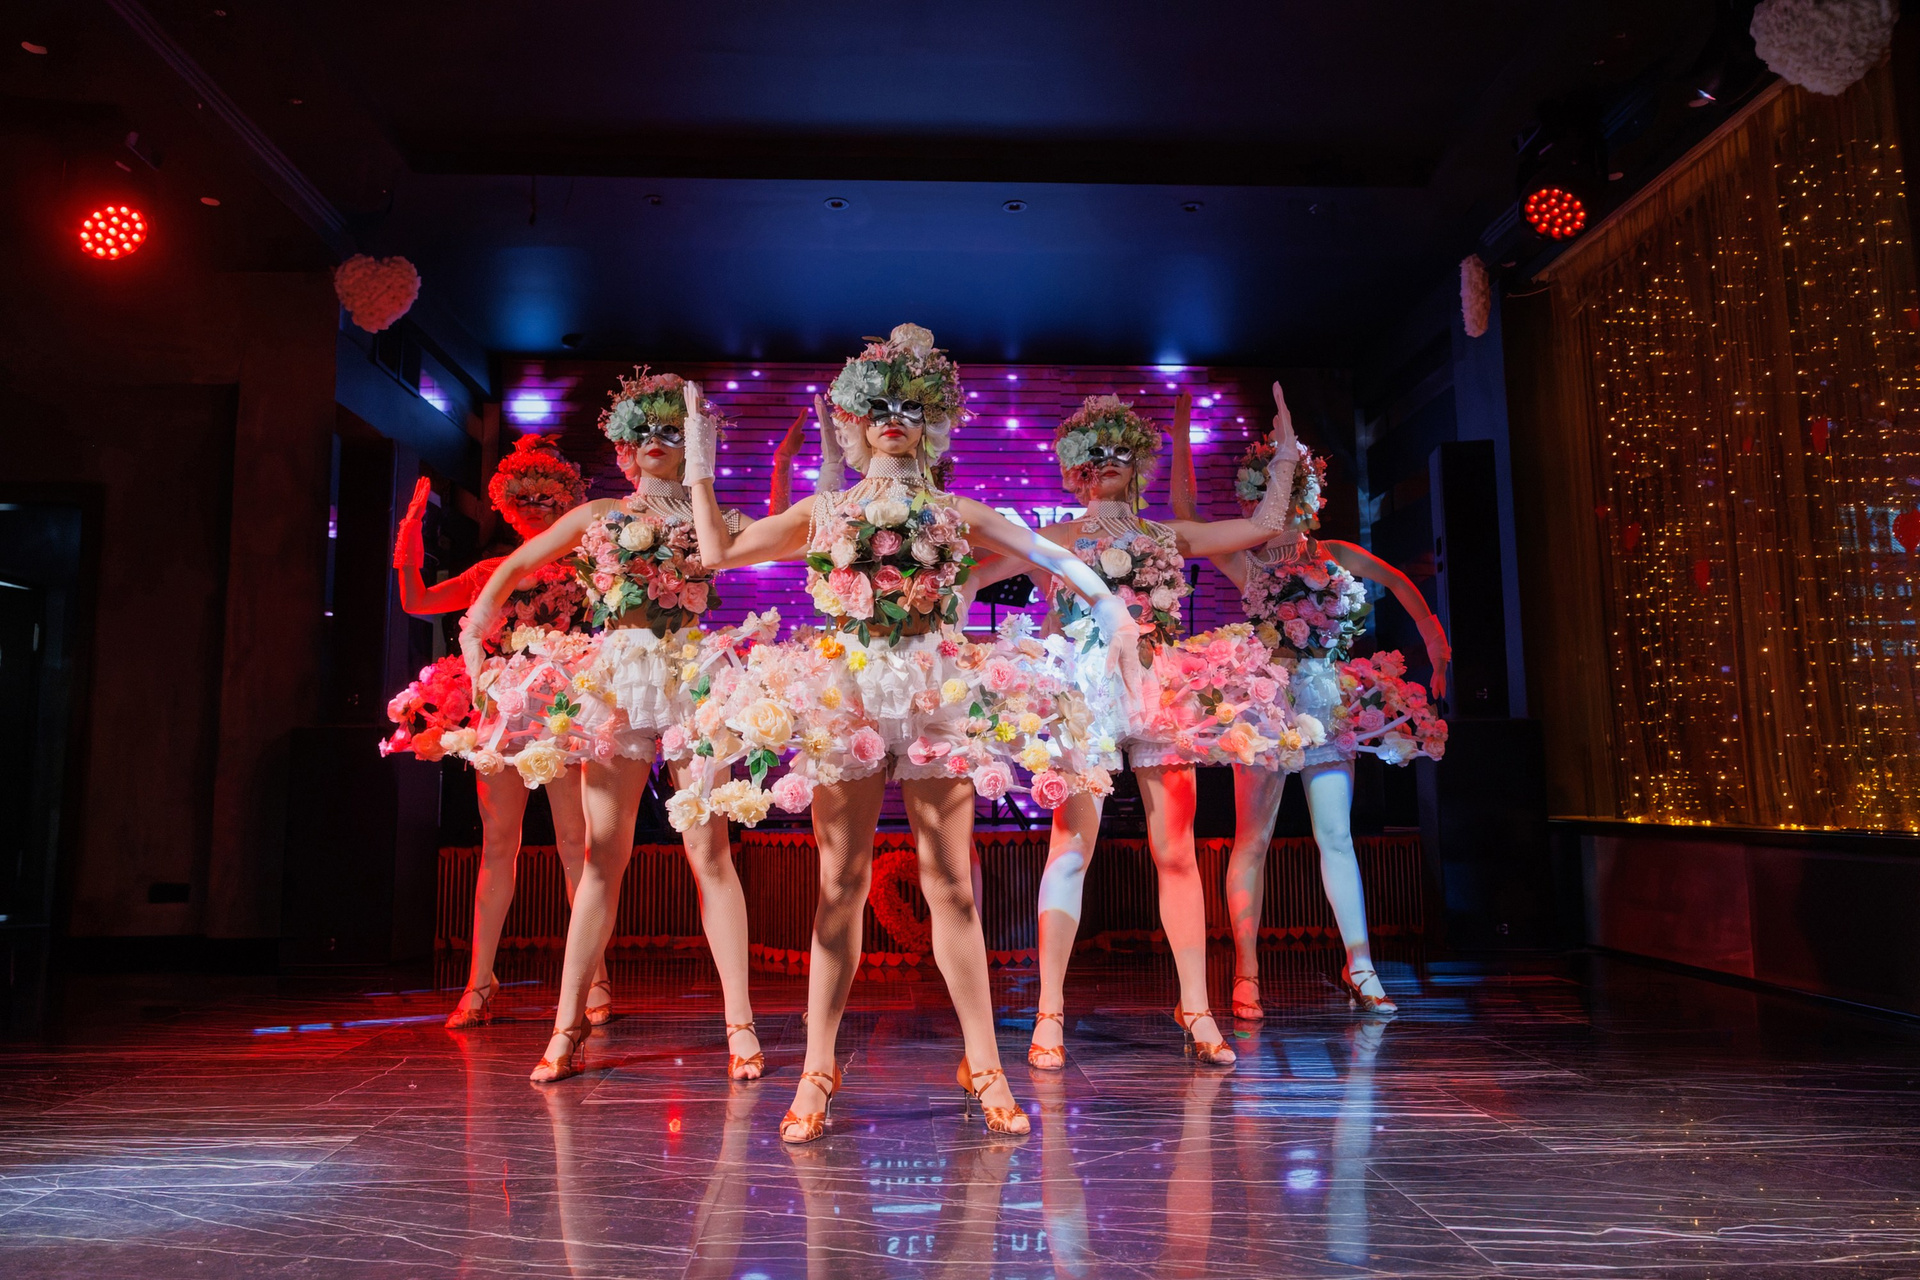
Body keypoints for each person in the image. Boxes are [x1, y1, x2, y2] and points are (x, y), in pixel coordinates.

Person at [684, 323, 1147, 1141]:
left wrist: (1113, 610)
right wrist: (698, 457)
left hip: (936, 695)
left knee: (952, 886)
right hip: (848, 697)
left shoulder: (954, 510)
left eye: (910, 407)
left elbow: (1046, 551)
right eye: (879, 409)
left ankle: (986, 1063)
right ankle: (818, 1068)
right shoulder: (825, 510)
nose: (893, 420)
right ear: (857, 423)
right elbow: (717, 551)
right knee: (840, 884)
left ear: (931, 420)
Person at [969, 390, 1304, 1070]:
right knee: (1071, 848)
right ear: (1075, 468)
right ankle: (1050, 1010)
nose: (1107, 462)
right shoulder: (1056, 540)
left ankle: (1196, 1006)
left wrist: (1287, 456)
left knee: (1176, 850)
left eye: (1120, 450)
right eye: (1094, 453)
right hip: (1082, 699)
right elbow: (971, 579)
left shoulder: (1165, 536)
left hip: (1157, 693)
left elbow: (1264, 525)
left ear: (1138, 461)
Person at [459, 369, 763, 1082]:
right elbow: (517, 564)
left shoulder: (713, 518)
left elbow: (792, 538)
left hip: (692, 677)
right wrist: (476, 629)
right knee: (602, 857)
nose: (656, 441)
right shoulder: (600, 514)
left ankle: (741, 1024)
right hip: (619, 681)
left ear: (692, 443)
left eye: (671, 431)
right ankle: (566, 1026)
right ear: (625, 446)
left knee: (710, 854)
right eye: (644, 431)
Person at [1170, 385, 1451, 1016]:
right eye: (1276, 485)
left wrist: (1435, 642)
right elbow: (1185, 514)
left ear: (1312, 495)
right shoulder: (1247, 563)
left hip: (1323, 705)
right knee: (1252, 840)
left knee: (1336, 836)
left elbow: (1399, 583)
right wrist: (1183, 428)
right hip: (1266, 711)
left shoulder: (1333, 555)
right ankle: (1246, 971)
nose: (1290, 499)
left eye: (1299, 485)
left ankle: (1361, 963)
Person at [381, 435, 609, 1030]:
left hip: (565, 711)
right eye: (522, 497)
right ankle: (479, 982)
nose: (533, 506)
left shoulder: (589, 570)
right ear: (506, 504)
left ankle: (594, 978)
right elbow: (416, 601)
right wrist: (410, 534)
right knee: (498, 844)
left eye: (545, 496)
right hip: (503, 713)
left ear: (566, 500)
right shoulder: (493, 571)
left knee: (575, 844)